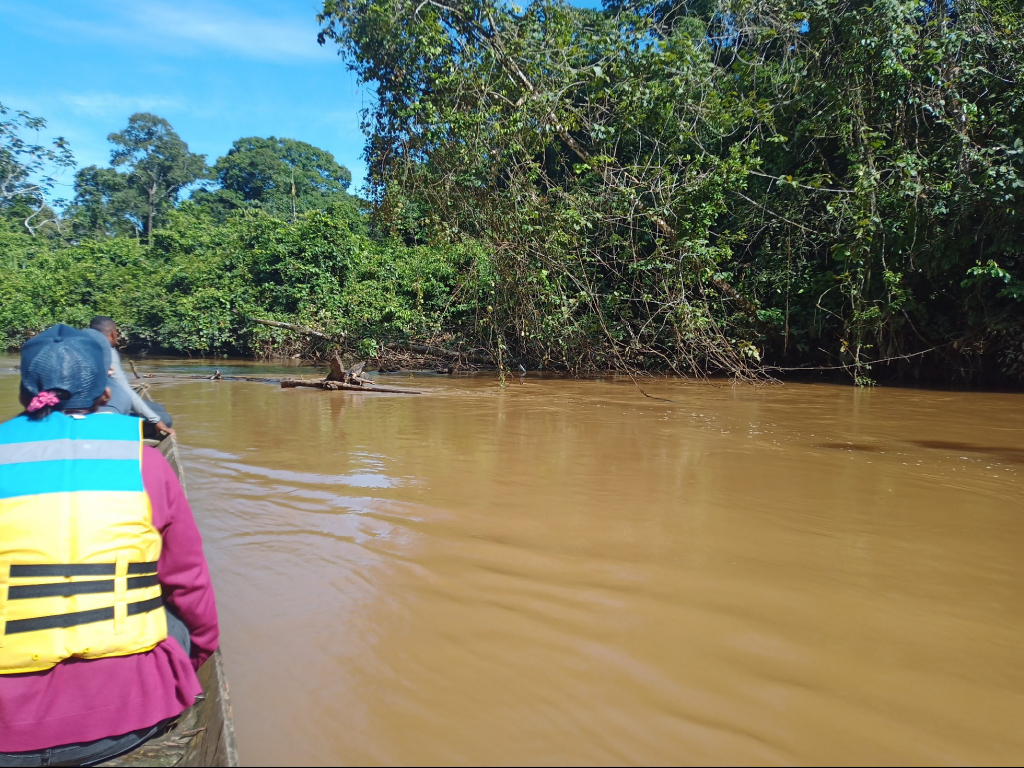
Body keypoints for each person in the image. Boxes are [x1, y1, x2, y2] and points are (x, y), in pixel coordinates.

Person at [0, 324, 218, 766]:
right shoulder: (146, 463)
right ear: (105, 390)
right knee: (172, 612)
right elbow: (190, 585)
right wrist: (200, 653)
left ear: (26, 391)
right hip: (123, 721)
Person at [87, 317, 175, 439]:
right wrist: (156, 421)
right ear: (114, 333)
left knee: (158, 408)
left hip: (96, 406)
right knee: (166, 419)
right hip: (102, 415)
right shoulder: (108, 352)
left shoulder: (85, 346)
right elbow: (126, 392)